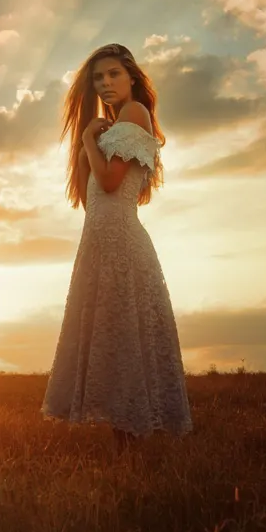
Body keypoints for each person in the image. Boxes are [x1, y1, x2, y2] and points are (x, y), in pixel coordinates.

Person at [41, 43, 194, 455]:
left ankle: (131, 448)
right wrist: (90, 141)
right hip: (102, 238)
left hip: (120, 241)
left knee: (124, 333)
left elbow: (109, 184)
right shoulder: (115, 123)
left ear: (130, 77)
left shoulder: (133, 114)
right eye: (98, 78)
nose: (105, 83)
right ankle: (125, 447)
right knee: (115, 335)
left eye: (113, 74)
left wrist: (88, 140)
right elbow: (95, 200)